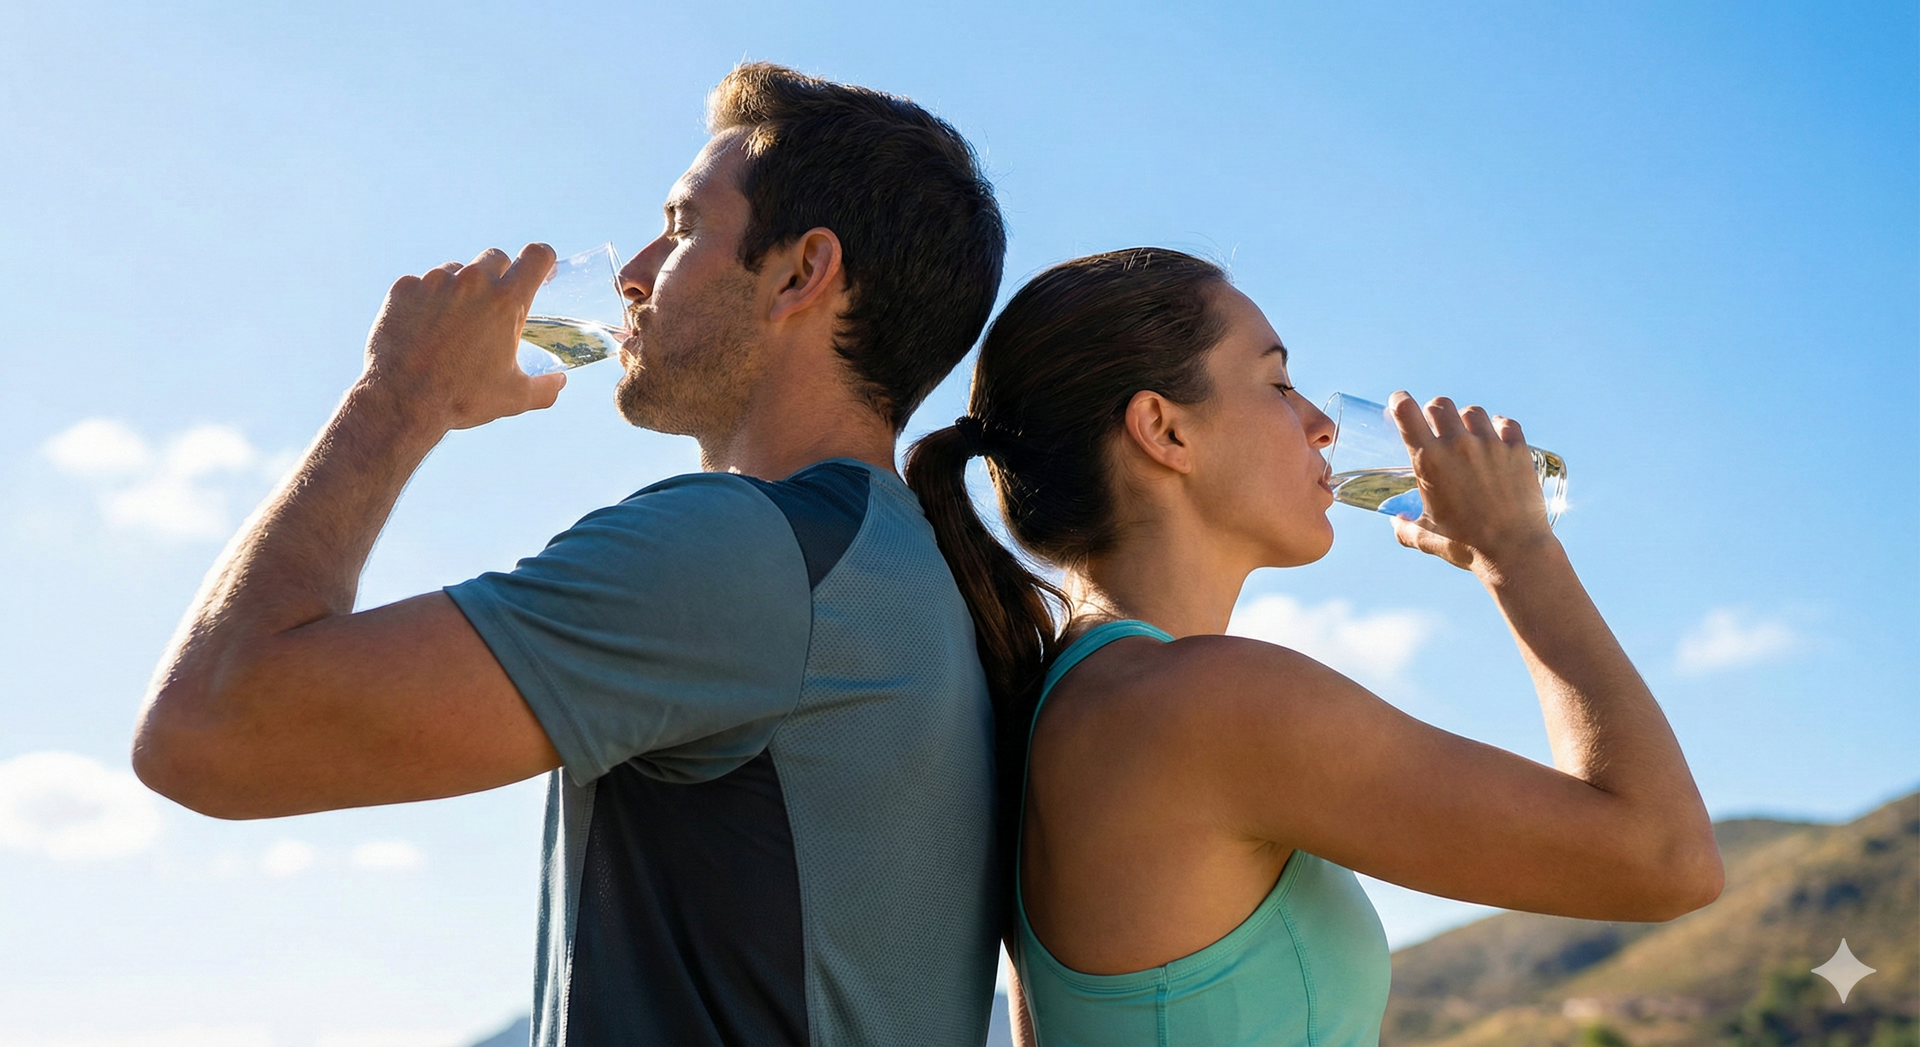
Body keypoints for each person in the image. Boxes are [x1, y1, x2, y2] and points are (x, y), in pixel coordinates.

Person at [133, 63, 1008, 1046]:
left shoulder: (737, 555)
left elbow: (209, 730)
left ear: (803, 274)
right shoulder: (900, 568)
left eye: (680, 228)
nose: (632, 271)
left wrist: (398, 396)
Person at [904, 248, 1724, 1045]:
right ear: (1164, 430)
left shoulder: (1067, 705)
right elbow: (1668, 859)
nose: (1324, 426)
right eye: (1277, 381)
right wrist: (1521, 555)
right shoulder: (1205, 701)